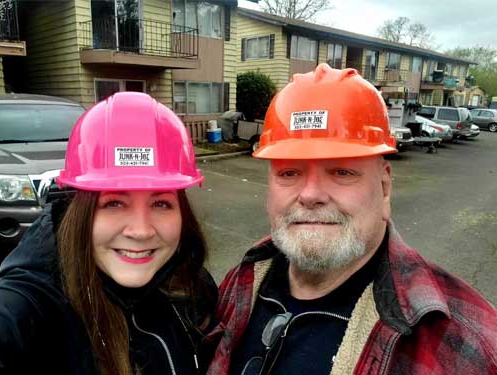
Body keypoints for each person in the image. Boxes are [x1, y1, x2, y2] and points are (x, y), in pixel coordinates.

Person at [207, 64, 497, 375]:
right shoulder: (242, 280)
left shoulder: (466, 346)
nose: (310, 194)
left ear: (384, 189)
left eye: (342, 171)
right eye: (289, 172)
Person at [0, 92, 217, 374]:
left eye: (161, 203)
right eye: (114, 203)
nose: (140, 231)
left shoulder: (192, 285)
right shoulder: (38, 301)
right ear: (82, 213)